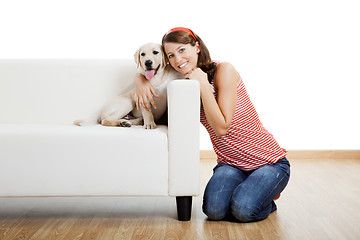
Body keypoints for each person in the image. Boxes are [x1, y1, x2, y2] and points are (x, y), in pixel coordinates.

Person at [134, 27, 290, 222]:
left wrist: (204, 85)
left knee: (242, 210)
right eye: (171, 55)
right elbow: (162, 111)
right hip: (231, 164)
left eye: (182, 50)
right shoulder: (183, 82)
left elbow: (221, 127)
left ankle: (266, 198)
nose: (177, 59)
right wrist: (140, 79)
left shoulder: (224, 70)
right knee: (214, 211)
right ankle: (251, 189)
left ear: (196, 47)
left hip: (269, 162)